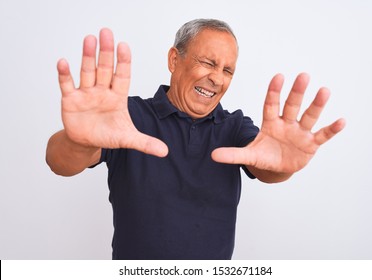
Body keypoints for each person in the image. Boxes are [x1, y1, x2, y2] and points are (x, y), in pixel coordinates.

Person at [46, 19, 345, 259]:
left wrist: (284, 165)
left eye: (227, 70)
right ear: (175, 60)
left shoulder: (235, 126)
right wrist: (80, 141)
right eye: (208, 63)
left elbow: (266, 166)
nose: (217, 78)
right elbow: (58, 161)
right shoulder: (129, 116)